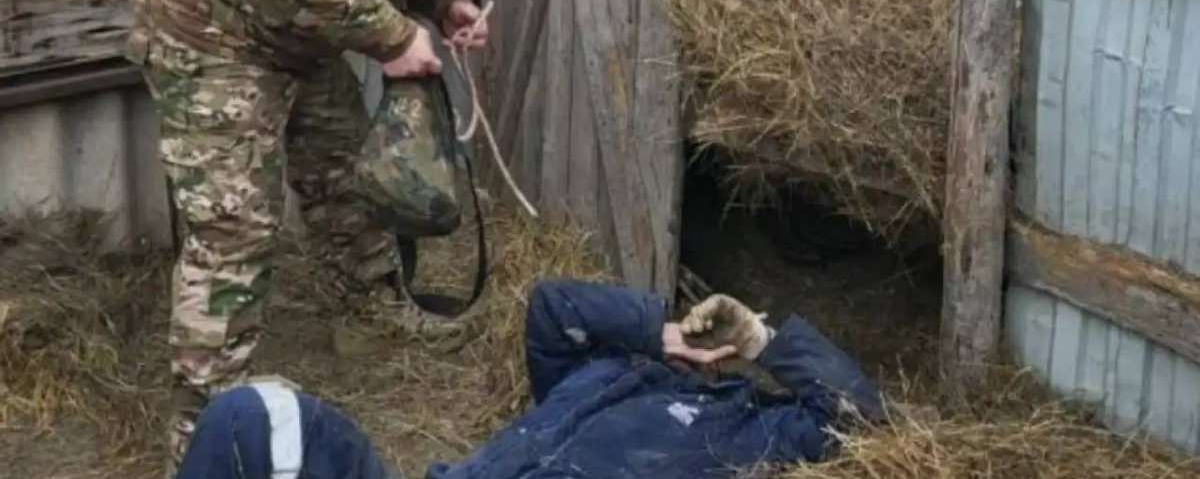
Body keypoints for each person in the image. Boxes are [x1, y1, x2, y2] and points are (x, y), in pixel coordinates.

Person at [125, 0, 556, 466]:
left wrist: (443, 1)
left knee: (344, 170)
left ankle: (368, 312)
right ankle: (206, 437)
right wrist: (393, 36)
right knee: (236, 230)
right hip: (212, 30)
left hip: (296, 35)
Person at [176, 280, 885, 478]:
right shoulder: (599, 370)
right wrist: (657, 334)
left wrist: (762, 342)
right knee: (249, 414)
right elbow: (552, 306)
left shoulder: (747, 430)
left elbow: (859, 420)